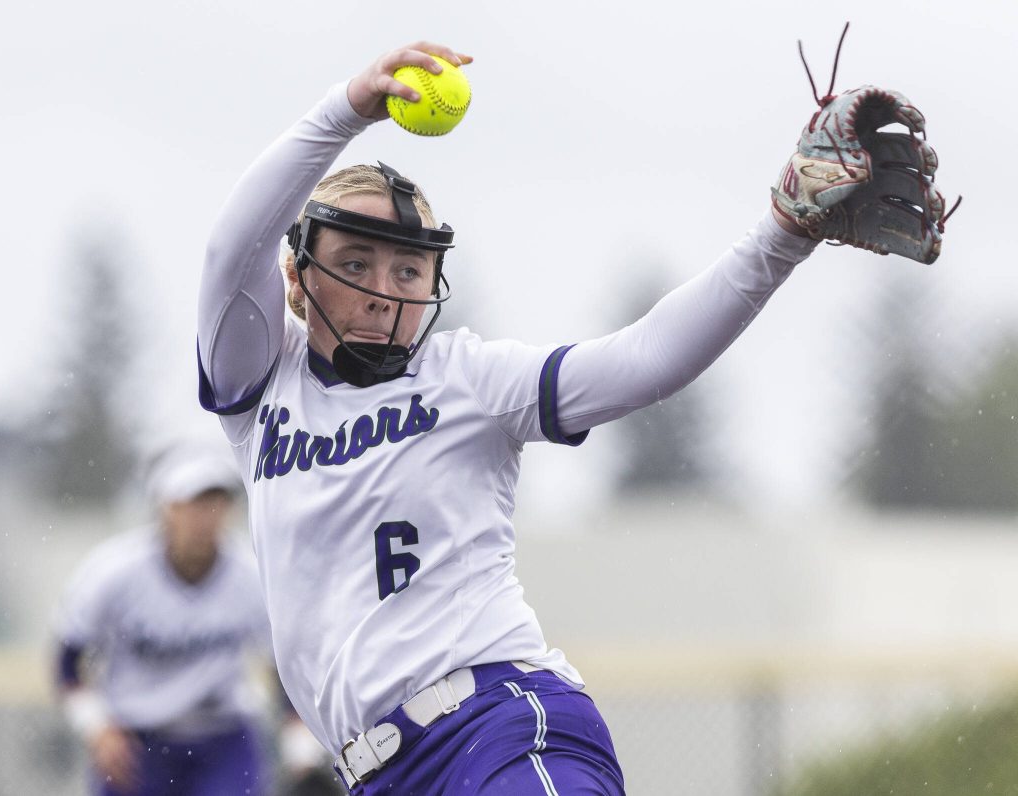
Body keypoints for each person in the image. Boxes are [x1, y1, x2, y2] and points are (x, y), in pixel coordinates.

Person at [196, 42, 942, 794]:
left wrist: (781, 234)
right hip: (379, 778)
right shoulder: (263, 393)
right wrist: (346, 110)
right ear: (296, 272)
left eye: (408, 270)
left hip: (495, 731)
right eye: (355, 263)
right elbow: (233, 249)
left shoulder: (465, 378)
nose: (383, 292)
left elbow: (644, 360)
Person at [52, 439, 340, 796]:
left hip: (222, 740)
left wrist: (300, 750)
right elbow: (67, 661)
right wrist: (97, 727)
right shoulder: (113, 574)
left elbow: (284, 670)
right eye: (194, 503)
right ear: (165, 507)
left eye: (216, 502)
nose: (206, 516)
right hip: (138, 740)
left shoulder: (252, 576)